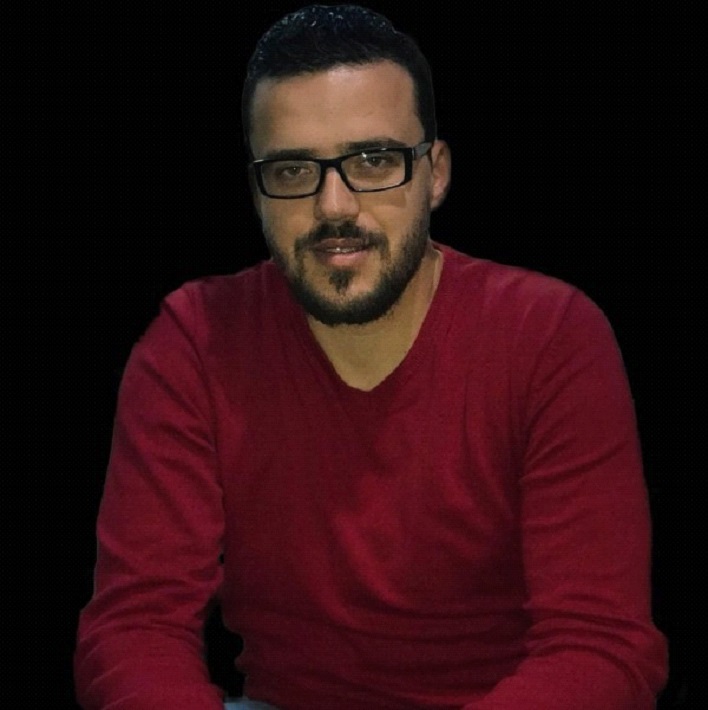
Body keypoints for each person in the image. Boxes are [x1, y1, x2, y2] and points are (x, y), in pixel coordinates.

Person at [74, 4, 668, 709]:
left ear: (435, 173)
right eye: (293, 169)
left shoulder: (551, 336)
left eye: (374, 161)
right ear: (258, 191)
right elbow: (135, 627)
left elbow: (600, 644)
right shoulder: (192, 343)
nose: (335, 205)